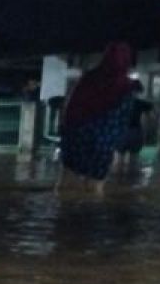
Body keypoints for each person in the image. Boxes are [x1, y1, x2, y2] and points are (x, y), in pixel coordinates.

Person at [57, 42, 136, 197]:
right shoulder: (125, 87)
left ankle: (63, 217)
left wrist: (66, 130)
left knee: (66, 181)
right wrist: (116, 141)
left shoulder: (89, 79)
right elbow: (122, 119)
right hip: (102, 144)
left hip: (77, 137)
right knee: (95, 187)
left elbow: (72, 107)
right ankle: (91, 218)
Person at [113, 80, 152, 172]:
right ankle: (128, 179)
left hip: (123, 131)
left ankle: (120, 179)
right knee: (133, 159)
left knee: (120, 158)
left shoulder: (120, 102)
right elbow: (151, 116)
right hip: (135, 131)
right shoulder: (141, 103)